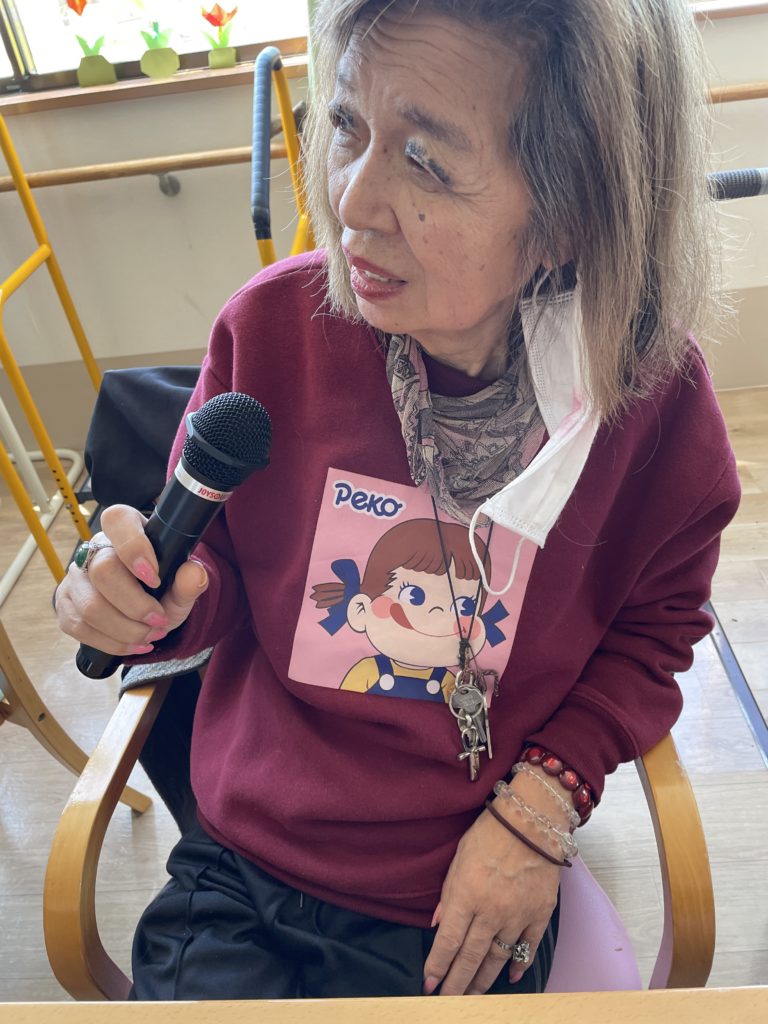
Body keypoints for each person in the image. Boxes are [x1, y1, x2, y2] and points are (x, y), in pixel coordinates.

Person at [55, 0, 741, 1002]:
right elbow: (215, 579)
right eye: (346, 125)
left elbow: (655, 630)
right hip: (245, 861)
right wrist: (135, 597)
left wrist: (539, 807)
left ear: (572, 212)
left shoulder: (651, 406)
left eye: (424, 161)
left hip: (464, 885)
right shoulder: (270, 335)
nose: (352, 201)